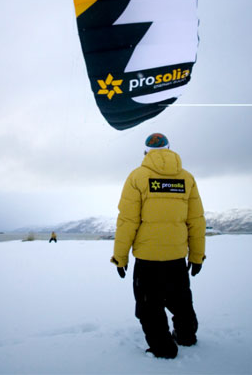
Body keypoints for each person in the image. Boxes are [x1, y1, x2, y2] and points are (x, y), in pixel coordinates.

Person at [110, 133, 206, 359]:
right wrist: (197, 256)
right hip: (176, 258)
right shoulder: (187, 178)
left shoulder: (137, 177)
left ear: (145, 153)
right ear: (170, 149)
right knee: (181, 301)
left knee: (149, 306)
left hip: (147, 260)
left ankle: (163, 349)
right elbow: (196, 221)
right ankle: (186, 336)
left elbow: (127, 222)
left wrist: (120, 257)